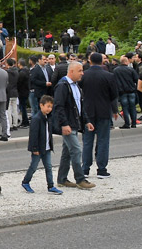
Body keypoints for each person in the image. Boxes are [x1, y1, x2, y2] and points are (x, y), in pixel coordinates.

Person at [53, 62, 94, 190]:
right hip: (68, 124)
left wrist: (86, 120)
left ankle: (62, 179)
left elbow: (79, 106)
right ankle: (80, 179)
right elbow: (59, 106)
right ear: (71, 71)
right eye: (80, 70)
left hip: (74, 123)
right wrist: (64, 124)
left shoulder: (76, 86)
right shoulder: (62, 86)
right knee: (76, 150)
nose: (82, 73)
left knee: (67, 153)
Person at [79, 53, 118, 179]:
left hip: (88, 111)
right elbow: (114, 94)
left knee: (87, 141)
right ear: (102, 61)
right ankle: (101, 169)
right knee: (103, 140)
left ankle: (85, 168)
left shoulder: (83, 76)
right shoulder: (109, 76)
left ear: (89, 61)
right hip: (103, 110)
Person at [22, 95, 61, 195]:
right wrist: (34, 148)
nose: (49, 109)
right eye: (48, 106)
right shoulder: (37, 119)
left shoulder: (48, 117)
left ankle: (51, 185)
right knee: (33, 166)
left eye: (51, 107)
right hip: (38, 148)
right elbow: (33, 135)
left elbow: (51, 130)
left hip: (47, 148)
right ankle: (26, 182)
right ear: (41, 105)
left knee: (48, 166)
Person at [114, 56, 139, 129]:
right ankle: (134, 123)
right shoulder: (131, 70)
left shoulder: (116, 70)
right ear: (126, 62)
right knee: (133, 107)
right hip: (131, 91)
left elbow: (114, 81)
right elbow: (136, 79)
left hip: (122, 91)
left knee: (124, 107)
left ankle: (127, 123)